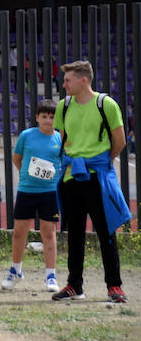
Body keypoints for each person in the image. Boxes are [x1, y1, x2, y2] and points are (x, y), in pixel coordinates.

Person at [52, 60, 130, 303]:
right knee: (74, 233)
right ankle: (74, 285)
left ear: (83, 80)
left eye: (67, 80)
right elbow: (61, 141)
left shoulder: (106, 104)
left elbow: (120, 141)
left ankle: (114, 286)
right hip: (71, 178)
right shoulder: (63, 106)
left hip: (98, 177)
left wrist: (101, 159)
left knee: (106, 232)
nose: (63, 84)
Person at [1, 100, 61, 292]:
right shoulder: (26, 136)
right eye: (44, 116)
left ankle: (50, 275)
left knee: (49, 233)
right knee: (19, 232)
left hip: (50, 192)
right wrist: (27, 175)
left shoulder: (59, 139)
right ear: (37, 117)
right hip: (27, 191)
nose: (48, 120)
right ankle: (16, 270)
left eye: (52, 117)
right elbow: (17, 158)